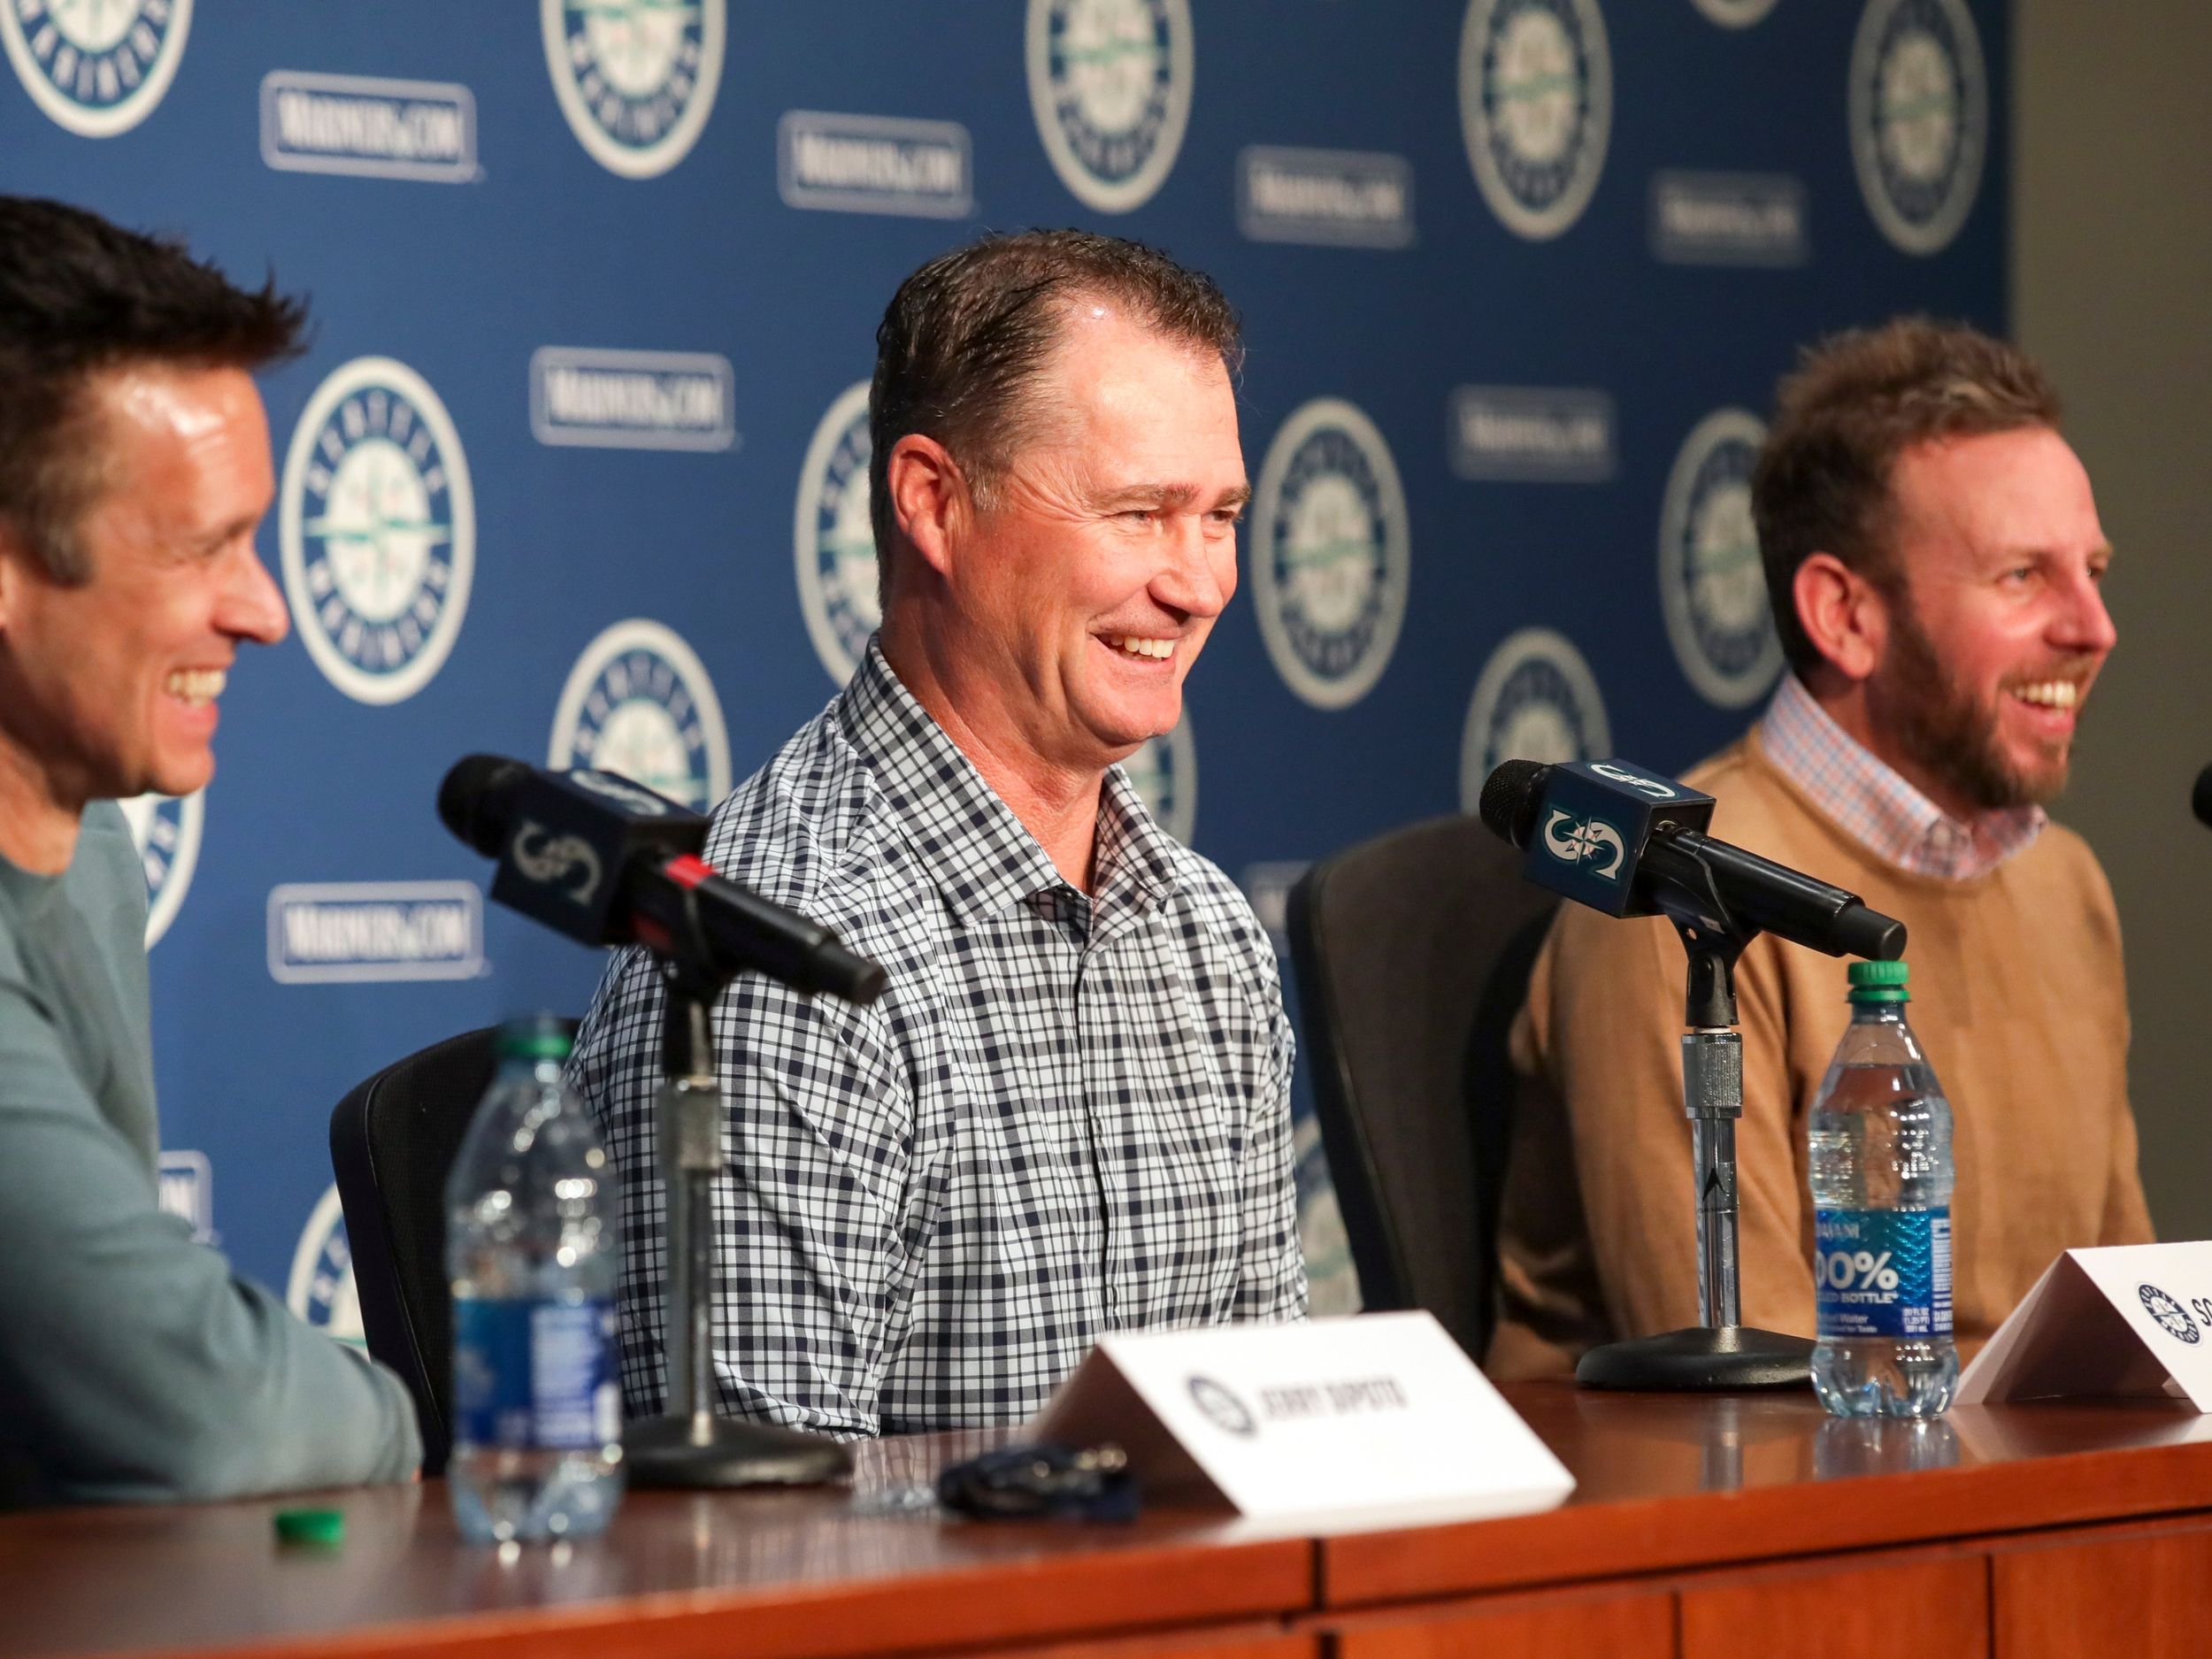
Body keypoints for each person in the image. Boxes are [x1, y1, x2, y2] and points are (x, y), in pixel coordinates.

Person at [569, 230, 1304, 1437]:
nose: (1201, 581)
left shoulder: (1208, 936)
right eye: (1138, 511)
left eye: (1219, 515)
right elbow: (771, 1554)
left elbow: (1271, 1447)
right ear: (935, 502)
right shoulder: (772, 953)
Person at [1488, 318, 2153, 1378]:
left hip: (2014, 1518)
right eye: (2024, 578)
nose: (2094, 626)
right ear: (1844, 615)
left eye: (2095, 569)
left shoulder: (2066, 884)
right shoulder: (1673, 907)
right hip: (1755, 1516)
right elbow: (1759, 1399)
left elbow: (2133, 1338)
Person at [0, 197, 422, 1502]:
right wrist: (397, 1417)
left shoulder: (99, 840)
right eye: (202, 548)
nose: (267, 611)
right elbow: (209, 1414)